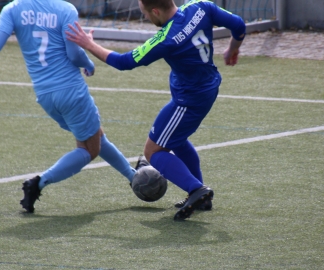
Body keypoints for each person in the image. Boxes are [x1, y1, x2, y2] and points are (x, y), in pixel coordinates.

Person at [66, 0, 246, 221]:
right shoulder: (201, 7)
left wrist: (88, 44)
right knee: (176, 140)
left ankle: (196, 189)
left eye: (145, 14)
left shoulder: (166, 39)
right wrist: (232, 49)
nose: (147, 19)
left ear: (155, 11)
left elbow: (124, 62)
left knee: (153, 151)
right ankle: (201, 197)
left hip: (189, 100)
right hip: (208, 85)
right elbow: (238, 25)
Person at [0, 0, 139, 213]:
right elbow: (74, 54)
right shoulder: (65, 9)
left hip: (45, 96)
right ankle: (38, 183)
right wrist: (89, 64)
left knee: (95, 136)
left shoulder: (12, 9)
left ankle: (133, 176)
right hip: (71, 91)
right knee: (89, 149)